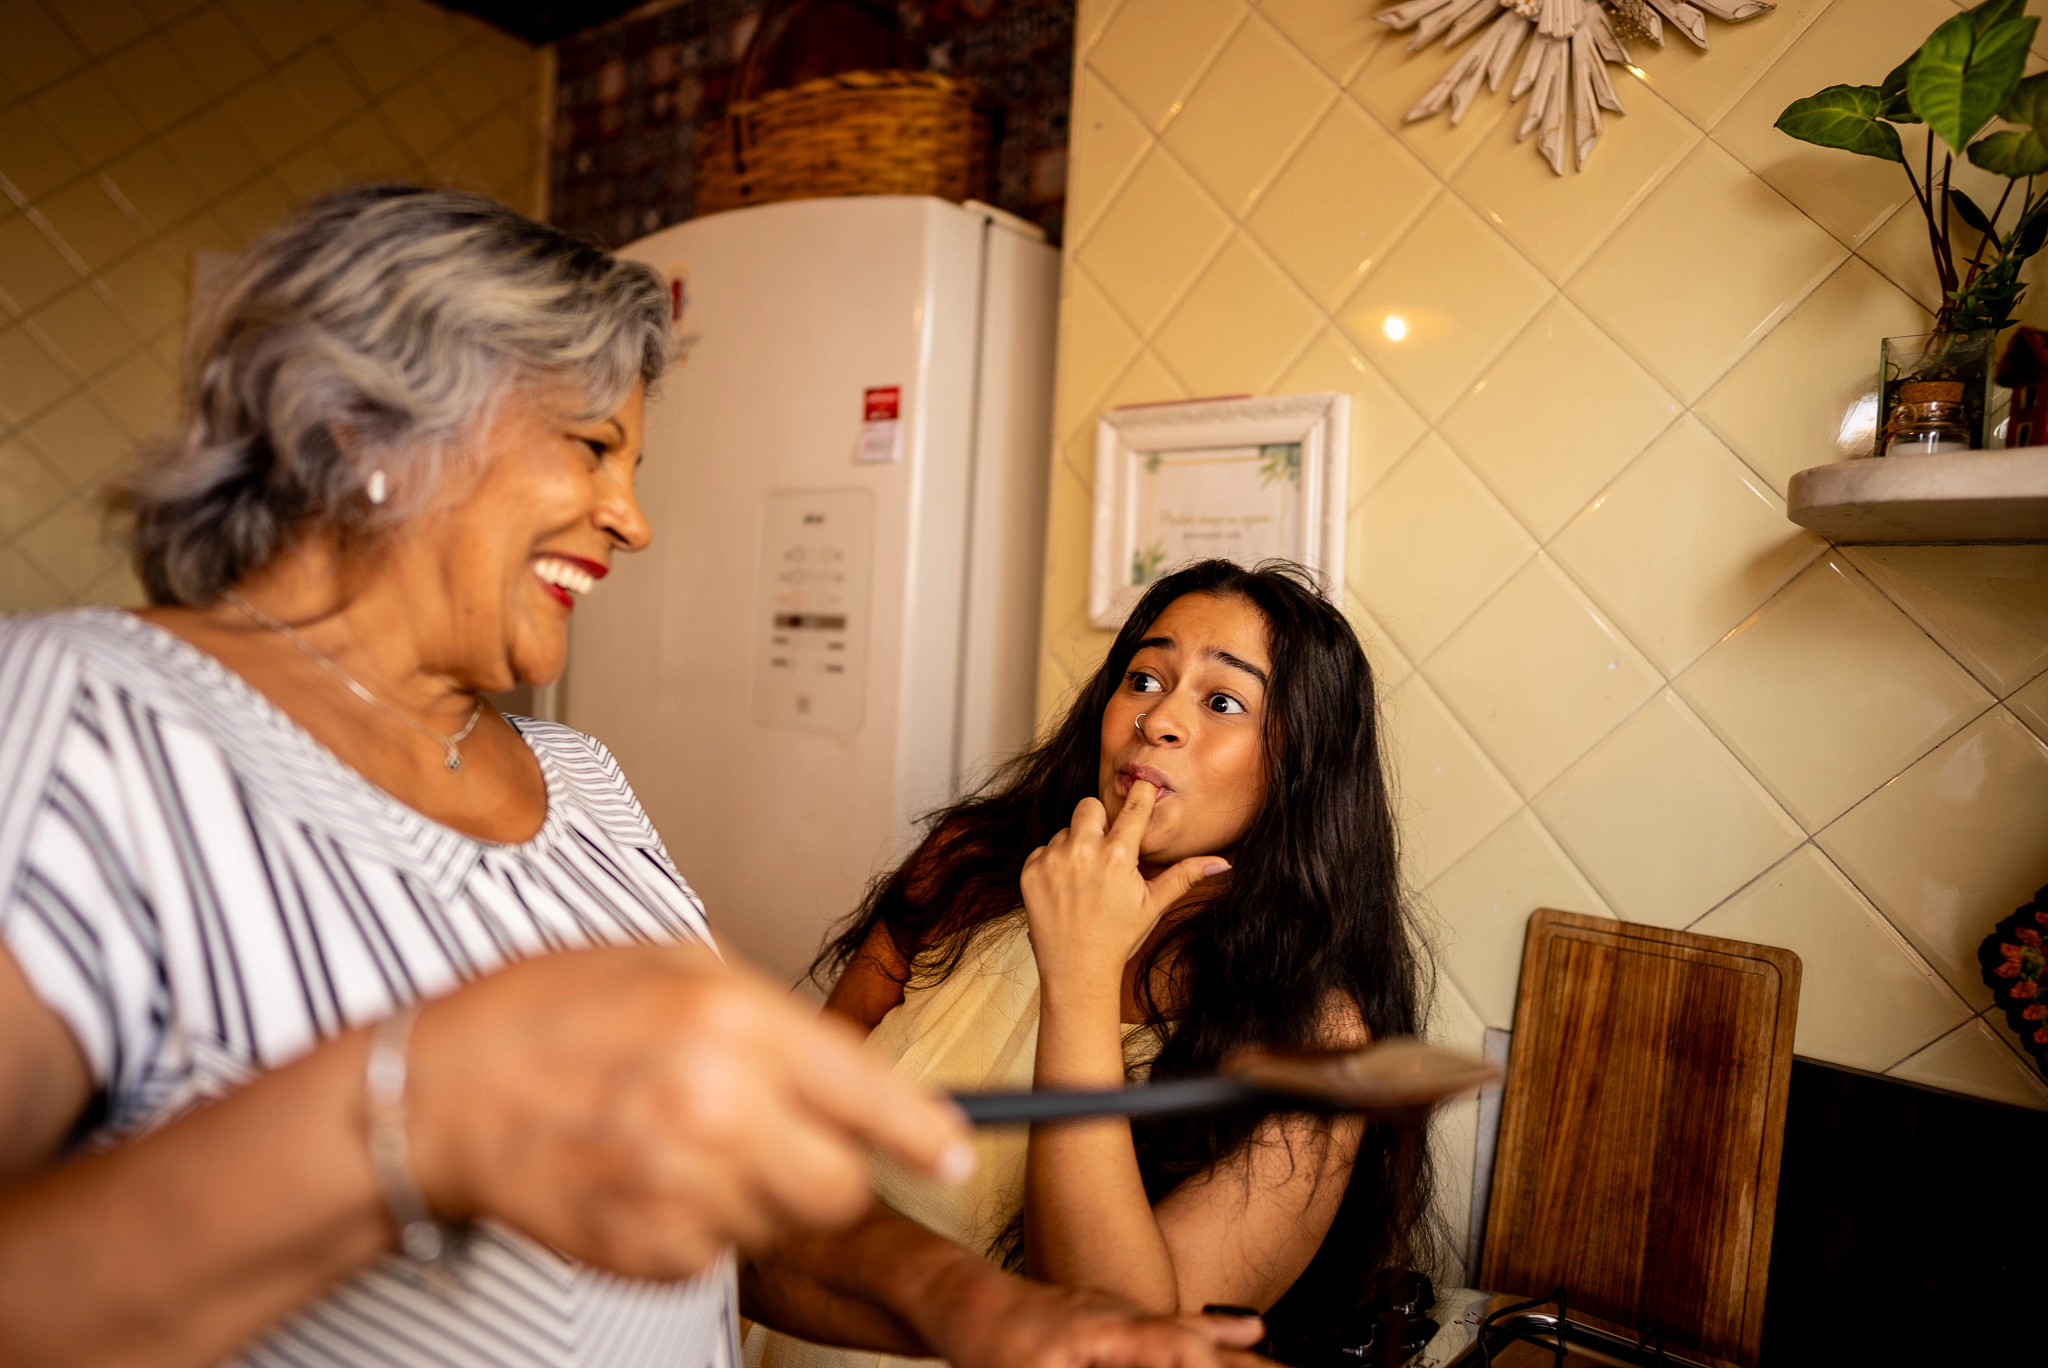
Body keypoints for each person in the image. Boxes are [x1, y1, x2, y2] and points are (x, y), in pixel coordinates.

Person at [0, 185, 1265, 1368]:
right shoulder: (84, 716)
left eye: (635, 468)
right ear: (359, 432)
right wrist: (417, 1112)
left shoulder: (581, 781)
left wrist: (979, 1310)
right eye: (592, 447)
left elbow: (737, 1192)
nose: (631, 517)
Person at [759, 561, 1432, 1368]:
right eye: (1144, 679)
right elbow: (788, 1136)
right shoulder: (969, 868)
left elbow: (1127, 1345)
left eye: (1222, 701)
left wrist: (1078, 978)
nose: (1157, 720)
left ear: (1300, 769)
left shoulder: (1320, 1038)